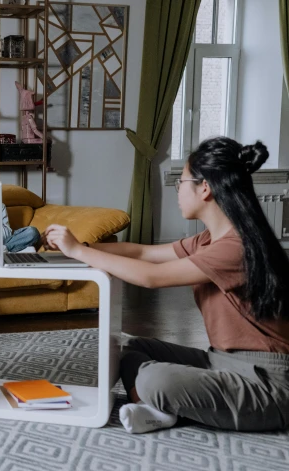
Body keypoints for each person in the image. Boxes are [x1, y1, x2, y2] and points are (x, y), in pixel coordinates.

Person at [43, 137, 289, 434]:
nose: (178, 191)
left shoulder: (236, 248)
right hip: (220, 361)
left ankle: (162, 403)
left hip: (267, 383)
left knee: (154, 379)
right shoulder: (207, 240)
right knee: (128, 347)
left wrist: (79, 252)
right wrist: (76, 247)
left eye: (181, 182)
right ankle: (165, 409)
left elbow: (152, 277)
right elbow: (143, 253)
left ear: (205, 188)